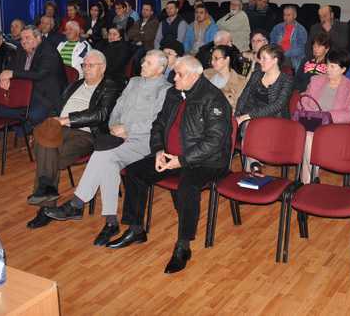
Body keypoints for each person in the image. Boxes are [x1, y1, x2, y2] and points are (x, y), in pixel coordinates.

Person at [107, 56, 232, 275]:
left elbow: (215, 141)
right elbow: (159, 124)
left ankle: (183, 246)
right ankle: (136, 229)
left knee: (187, 187)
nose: (174, 78)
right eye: (174, 73)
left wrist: (182, 160)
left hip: (206, 161)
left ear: (194, 76)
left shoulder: (214, 99)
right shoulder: (174, 93)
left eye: (179, 75)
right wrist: (158, 150)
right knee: (134, 171)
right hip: (171, 155)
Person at [41, 50, 171, 244]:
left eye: (148, 63)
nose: (143, 64)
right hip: (118, 135)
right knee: (106, 160)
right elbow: (117, 108)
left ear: (160, 69)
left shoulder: (166, 90)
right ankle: (110, 221)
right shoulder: (134, 82)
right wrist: (114, 126)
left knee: (103, 156)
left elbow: (157, 122)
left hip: (144, 141)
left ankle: (78, 205)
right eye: (144, 61)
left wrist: (128, 129)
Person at [26, 50, 119, 226]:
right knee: (47, 147)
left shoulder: (110, 87)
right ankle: (46, 205)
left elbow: (100, 114)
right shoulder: (74, 85)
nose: (86, 69)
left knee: (47, 152)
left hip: (85, 133)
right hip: (59, 128)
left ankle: (44, 203)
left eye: (91, 65)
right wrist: (51, 122)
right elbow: (57, 107)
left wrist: (67, 120)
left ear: (102, 68)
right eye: (84, 65)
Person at [298, 50, 350, 184]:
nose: (328, 69)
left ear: (343, 69)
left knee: (309, 136)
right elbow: (303, 101)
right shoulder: (316, 80)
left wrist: (327, 116)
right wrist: (314, 113)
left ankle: (307, 182)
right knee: (309, 135)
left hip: (334, 128)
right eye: (327, 65)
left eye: (333, 66)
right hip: (313, 123)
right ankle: (309, 181)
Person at [0, 25, 67, 133]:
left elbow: (39, 74)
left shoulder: (49, 51)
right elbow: (10, 67)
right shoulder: (21, 49)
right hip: (27, 92)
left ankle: (25, 132)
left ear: (38, 38)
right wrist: (6, 78)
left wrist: (12, 74)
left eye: (27, 38)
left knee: (30, 115)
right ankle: (21, 132)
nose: (23, 41)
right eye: (22, 38)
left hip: (46, 97)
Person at [235, 44, 295, 125]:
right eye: (260, 58)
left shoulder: (287, 80)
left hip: (273, 119)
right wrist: (237, 114)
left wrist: (248, 116)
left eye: (264, 58)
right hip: (249, 114)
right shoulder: (256, 74)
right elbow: (244, 96)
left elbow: (278, 105)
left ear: (275, 60)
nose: (260, 61)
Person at [204, 45, 248, 110]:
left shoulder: (240, 82)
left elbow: (240, 108)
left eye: (216, 58)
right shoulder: (206, 74)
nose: (212, 62)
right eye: (212, 58)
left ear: (227, 59)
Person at [270, 5, 307, 71]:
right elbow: (272, 43)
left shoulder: (301, 30)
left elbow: (301, 50)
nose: (286, 17)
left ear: (295, 16)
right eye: (284, 15)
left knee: (276, 63)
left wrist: (283, 54)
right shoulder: (277, 28)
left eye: (288, 15)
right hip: (277, 55)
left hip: (293, 58)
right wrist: (276, 52)